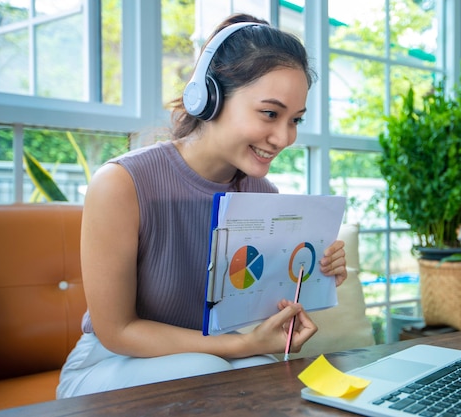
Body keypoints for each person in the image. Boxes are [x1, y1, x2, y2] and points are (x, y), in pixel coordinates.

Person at [57, 13, 347, 398]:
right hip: (107, 365)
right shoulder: (120, 184)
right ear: (209, 96)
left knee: (267, 376)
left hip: (208, 358)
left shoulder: (263, 195)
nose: (283, 137)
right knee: (210, 371)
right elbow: (117, 332)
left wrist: (315, 276)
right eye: (270, 113)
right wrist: (244, 346)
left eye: (295, 120)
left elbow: (255, 305)